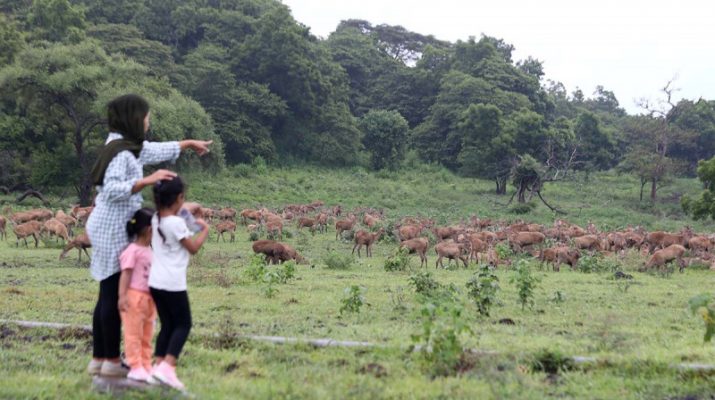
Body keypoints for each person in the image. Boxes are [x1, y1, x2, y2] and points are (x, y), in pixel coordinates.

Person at [86, 94, 211, 377]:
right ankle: (110, 362)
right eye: (145, 116)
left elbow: (152, 150)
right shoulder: (120, 152)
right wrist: (147, 180)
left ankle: (99, 358)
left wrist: (188, 144)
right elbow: (111, 189)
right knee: (111, 293)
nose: (148, 121)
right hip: (110, 226)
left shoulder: (125, 146)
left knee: (106, 292)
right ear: (133, 118)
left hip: (113, 223)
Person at [148, 176, 209, 390]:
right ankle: (168, 367)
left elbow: (185, 208)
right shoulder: (176, 223)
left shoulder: (155, 219)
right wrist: (205, 230)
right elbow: (192, 248)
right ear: (178, 198)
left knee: (167, 325)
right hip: (173, 282)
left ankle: (157, 367)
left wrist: (191, 206)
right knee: (183, 324)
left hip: (155, 282)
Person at [118, 208, 156, 382]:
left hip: (149, 300)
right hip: (134, 298)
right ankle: (134, 366)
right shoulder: (132, 251)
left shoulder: (150, 251)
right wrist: (122, 296)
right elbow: (125, 275)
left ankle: (146, 364)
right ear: (149, 230)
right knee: (133, 334)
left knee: (147, 333)